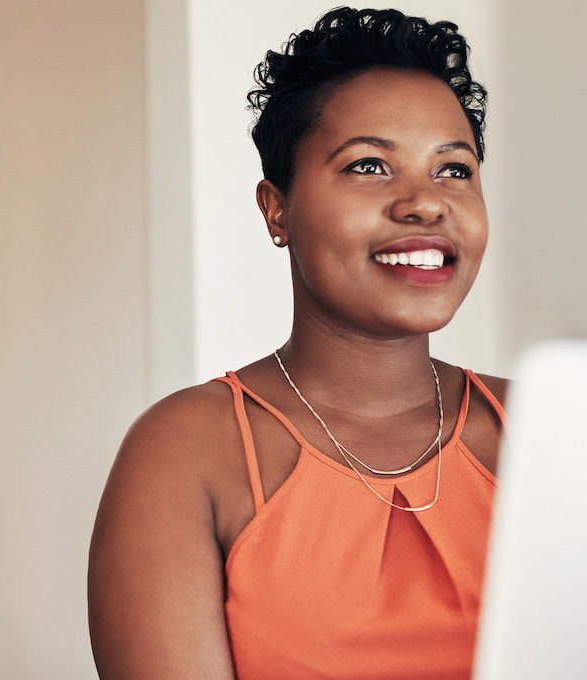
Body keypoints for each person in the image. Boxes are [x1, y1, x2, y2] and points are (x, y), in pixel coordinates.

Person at [88, 8, 508, 679]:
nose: (426, 204)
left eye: (453, 170)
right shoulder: (184, 452)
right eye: (369, 165)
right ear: (275, 208)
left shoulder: (543, 429)